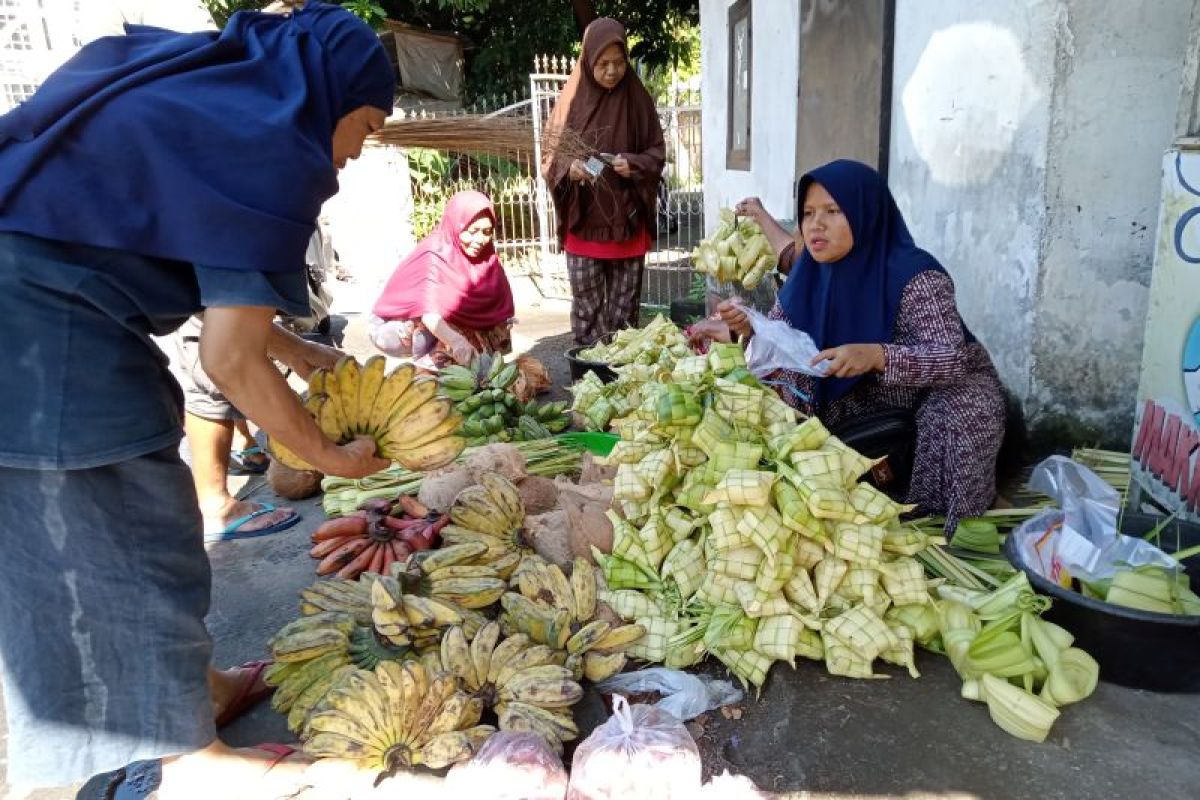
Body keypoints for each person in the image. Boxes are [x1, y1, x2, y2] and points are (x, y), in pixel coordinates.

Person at [0, 3, 396, 797]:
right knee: (120, 527)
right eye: (368, 126)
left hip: (44, 305)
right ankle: (188, 763)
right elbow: (228, 358)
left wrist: (298, 348)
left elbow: (216, 285)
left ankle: (194, 693)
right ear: (339, 95)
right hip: (40, 327)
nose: (357, 151)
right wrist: (331, 457)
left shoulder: (223, 102)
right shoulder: (274, 145)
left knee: (147, 516)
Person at [694, 160, 1006, 529]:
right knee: (789, 389)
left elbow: (950, 358)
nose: (815, 224)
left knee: (956, 412)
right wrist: (748, 328)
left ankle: (941, 527)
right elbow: (785, 341)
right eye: (808, 213)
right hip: (869, 391)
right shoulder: (809, 273)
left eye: (833, 211)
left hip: (939, 387)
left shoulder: (915, 274)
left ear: (865, 212)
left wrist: (876, 356)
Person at [541, 17, 665, 345]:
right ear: (588, 59)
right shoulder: (570, 100)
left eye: (619, 63)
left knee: (625, 316)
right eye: (603, 64)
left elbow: (657, 151)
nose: (612, 71)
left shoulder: (637, 98)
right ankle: (588, 378)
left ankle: (624, 380)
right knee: (587, 310)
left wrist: (635, 164)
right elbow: (550, 154)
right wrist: (570, 168)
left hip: (627, 222)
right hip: (584, 225)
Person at [369, 190, 515, 369]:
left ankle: (460, 357)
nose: (480, 239)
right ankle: (429, 363)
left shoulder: (487, 258)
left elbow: (499, 304)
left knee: (481, 347)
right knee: (433, 323)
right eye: (472, 231)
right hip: (394, 326)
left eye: (486, 232)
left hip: (446, 320)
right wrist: (457, 342)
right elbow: (429, 313)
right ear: (456, 225)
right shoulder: (434, 253)